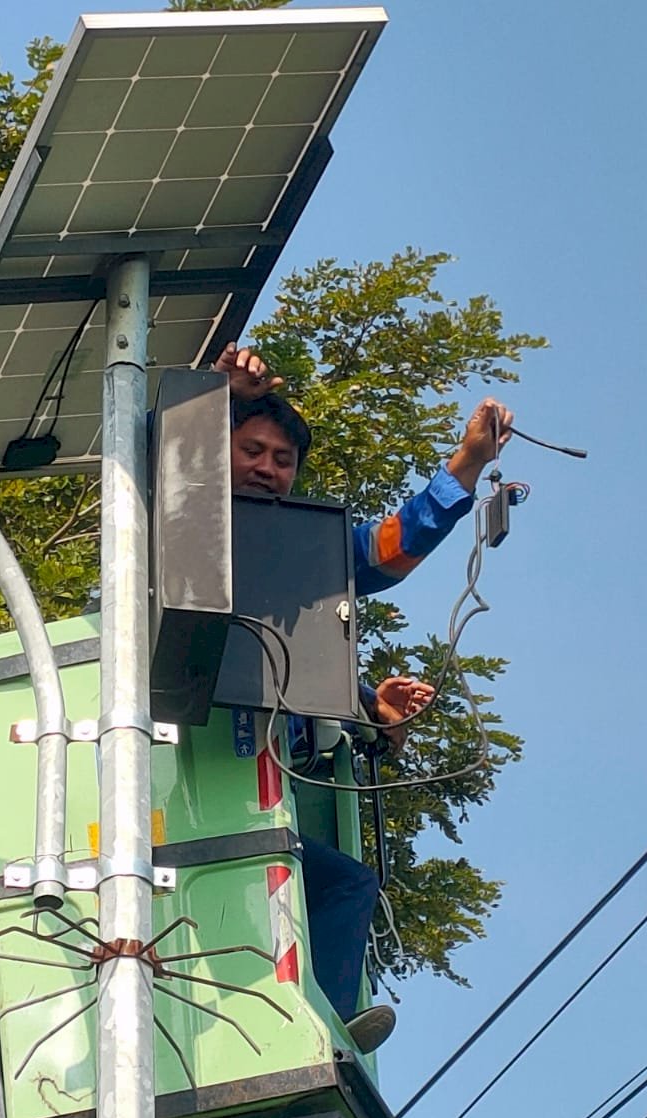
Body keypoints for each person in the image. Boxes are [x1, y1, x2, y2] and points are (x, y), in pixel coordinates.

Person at [213, 343, 514, 1052]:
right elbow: (174, 468)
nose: (267, 468)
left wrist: (375, 718)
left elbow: (389, 547)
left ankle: (326, 1027)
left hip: (258, 781)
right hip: (184, 762)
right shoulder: (182, 524)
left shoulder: (308, 558)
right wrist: (218, 397)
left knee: (346, 882)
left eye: (282, 460)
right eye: (250, 449)